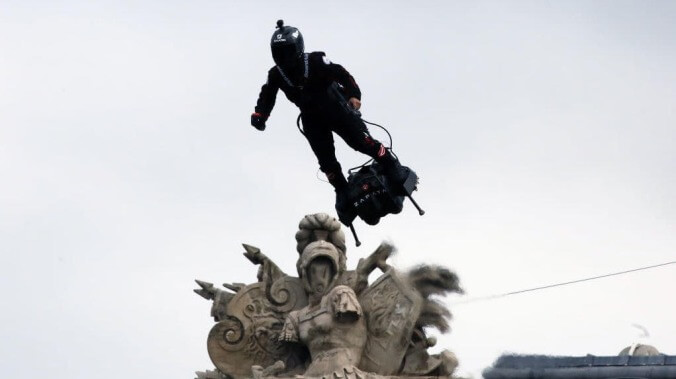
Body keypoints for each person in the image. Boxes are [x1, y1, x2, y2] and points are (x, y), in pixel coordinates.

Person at [251, 20, 406, 216]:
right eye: (279, 53)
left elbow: (343, 74)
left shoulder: (316, 60)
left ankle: (389, 163)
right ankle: (341, 190)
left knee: (362, 143)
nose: (285, 57)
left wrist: (354, 95)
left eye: (288, 51)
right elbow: (267, 96)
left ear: (298, 48)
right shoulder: (275, 74)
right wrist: (260, 115)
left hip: (337, 108)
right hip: (311, 119)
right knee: (326, 161)